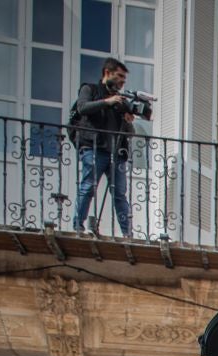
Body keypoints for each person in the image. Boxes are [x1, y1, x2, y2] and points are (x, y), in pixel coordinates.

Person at [69, 57, 142, 236]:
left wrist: (127, 121)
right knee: (88, 185)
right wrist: (107, 102)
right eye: (119, 76)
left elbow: (130, 133)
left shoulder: (121, 103)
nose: (122, 81)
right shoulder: (90, 89)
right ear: (107, 73)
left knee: (120, 194)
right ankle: (78, 225)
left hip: (116, 152)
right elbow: (82, 108)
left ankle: (128, 233)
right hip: (94, 147)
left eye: (124, 78)